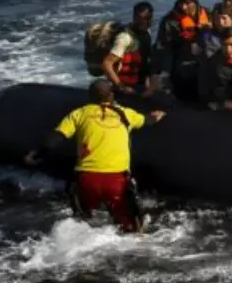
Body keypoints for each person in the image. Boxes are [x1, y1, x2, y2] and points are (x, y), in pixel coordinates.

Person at [23, 80, 164, 233]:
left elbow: (53, 140)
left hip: (87, 179)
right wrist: (157, 115)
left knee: (83, 225)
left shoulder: (79, 114)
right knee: (131, 229)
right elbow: (148, 120)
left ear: (90, 96)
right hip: (116, 180)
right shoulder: (125, 114)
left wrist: (36, 155)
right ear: (111, 96)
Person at [153, 0, 212, 104]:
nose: (184, 7)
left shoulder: (209, 14)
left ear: (195, 1)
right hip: (183, 66)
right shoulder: (169, 21)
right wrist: (163, 74)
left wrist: (211, 28)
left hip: (206, 63)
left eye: (188, 3)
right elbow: (164, 50)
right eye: (181, 3)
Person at [100, 2, 157, 97]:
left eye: (148, 18)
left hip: (139, 86)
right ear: (134, 18)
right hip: (123, 88)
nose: (144, 22)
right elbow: (106, 64)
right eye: (140, 18)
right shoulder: (125, 38)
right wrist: (121, 87)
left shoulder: (147, 33)